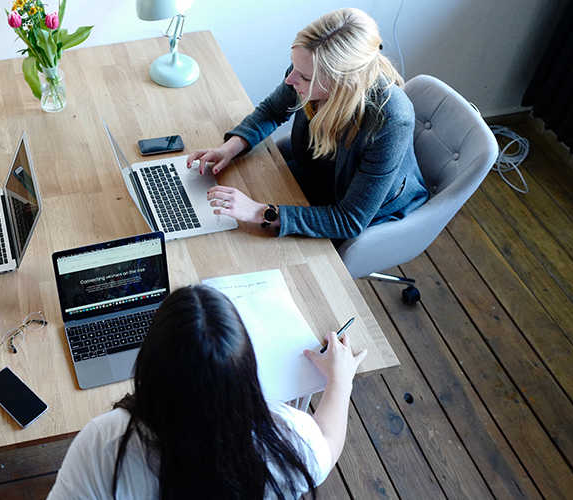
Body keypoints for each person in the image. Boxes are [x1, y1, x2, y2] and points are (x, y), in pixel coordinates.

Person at [47, 285, 368, 499]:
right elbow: (328, 444)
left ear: (149, 364)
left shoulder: (105, 444)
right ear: (245, 370)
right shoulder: (285, 439)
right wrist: (341, 380)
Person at [188, 8, 429, 241]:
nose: (290, 80)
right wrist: (229, 148)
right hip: (317, 172)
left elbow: (350, 219)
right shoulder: (306, 67)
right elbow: (273, 110)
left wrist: (258, 212)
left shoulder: (391, 121)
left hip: (358, 209)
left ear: (344, 81)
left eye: (304, 77)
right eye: (294, 67)